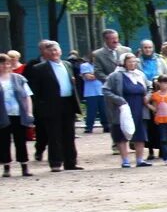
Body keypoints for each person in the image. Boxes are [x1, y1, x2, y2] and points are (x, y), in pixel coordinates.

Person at [23, 41, 82, 171]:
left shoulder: (67, 65)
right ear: (46, 53)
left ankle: (71, 162)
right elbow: (35, 90)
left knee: (69, 134)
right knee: (54, 135)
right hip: (51, 105)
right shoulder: (39, 68)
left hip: (68, 103)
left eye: (56, 50)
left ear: (60, 51)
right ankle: (56, 162)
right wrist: (39, 107)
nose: (54, 53)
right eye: (50, 51)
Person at [103, 53, 152, 167]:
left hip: (139, 107)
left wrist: (147, 96)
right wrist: (119, 100)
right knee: (122, 134)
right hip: (123, 109)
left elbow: (149, 87)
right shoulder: (115, 76)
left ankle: (140, 160)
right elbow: (106, 90)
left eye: (134, 61)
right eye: (130, 62)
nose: (132, 64)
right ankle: (125, 160)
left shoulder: (140, 75)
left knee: (140, 134)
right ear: (123, 62)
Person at [0, 52, 33, 177]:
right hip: (3, 115)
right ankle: (6, 166)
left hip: (18, 113)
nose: (5, 66)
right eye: (2, 64)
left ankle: (24, 166)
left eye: (7, 63)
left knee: (21, 141)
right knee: (4, 142)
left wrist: (29, 111)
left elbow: (27, 96)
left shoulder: (19, 78)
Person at [146, 75, 167, 164]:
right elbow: (155, 108)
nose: (165, 85)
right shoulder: (155, 95)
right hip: (161, 120)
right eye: (162, 83)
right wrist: (147, 105)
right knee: (163, 140)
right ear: (159, 84)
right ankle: (166, 158)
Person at [79, 49, 109, 135]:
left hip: (103, 91)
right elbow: (88, 77)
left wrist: (94, 74)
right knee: (91, 111)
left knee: (104, 111)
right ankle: (89, 127)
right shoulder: (85, 65)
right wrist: (99, 74)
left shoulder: (102, 66)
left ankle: (106, 126)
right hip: (91, 93)